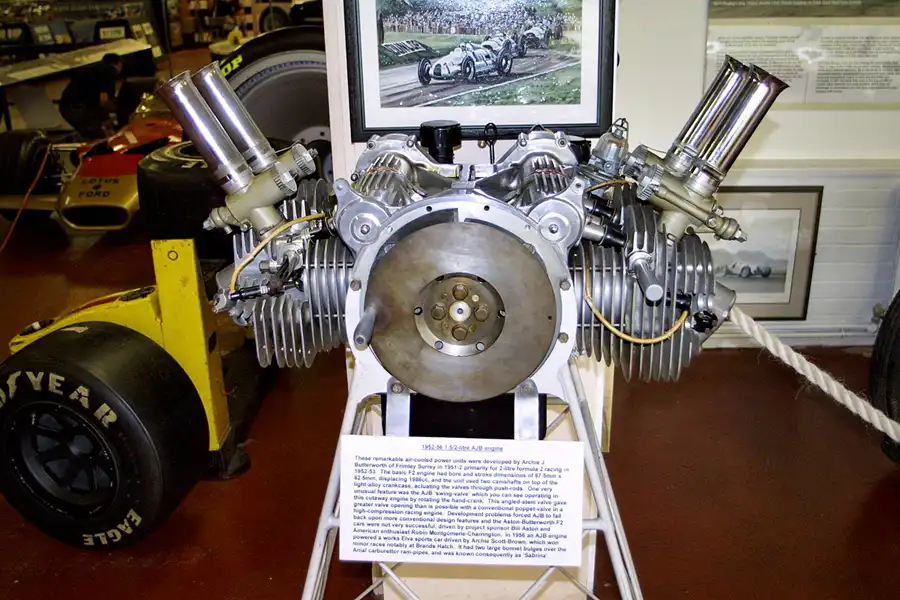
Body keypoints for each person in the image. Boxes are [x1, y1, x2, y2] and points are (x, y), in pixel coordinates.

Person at [59, 53, 122, 139]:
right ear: (118, 63)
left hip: (67, 107)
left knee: (89, 133)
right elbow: (103, 100)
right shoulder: (110, 70)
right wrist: (107, 120)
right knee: (100, 138)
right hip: (78, 108)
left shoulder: (93, 68)